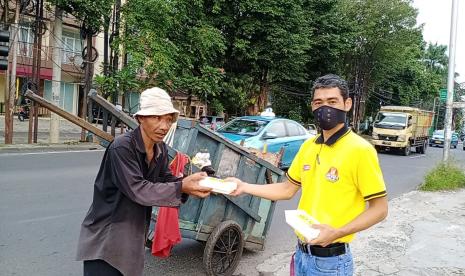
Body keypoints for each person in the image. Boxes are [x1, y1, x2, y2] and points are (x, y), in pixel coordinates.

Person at [228, 74, 388, 275]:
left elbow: (380, 209)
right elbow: (287, 189)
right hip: (302, 254)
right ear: (312, 106)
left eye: (332, 101)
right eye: (319, 102)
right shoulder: (308, 146)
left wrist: (337, 233)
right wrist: (244, 187)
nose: (325, 108)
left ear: (347, 104)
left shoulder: (360, 150)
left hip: (331, 262)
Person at [76, 87, 212, 276]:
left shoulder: (160, 149)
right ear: (140, 118)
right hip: (106, 238)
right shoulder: (122, 147)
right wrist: (182, 186)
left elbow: (167, 180)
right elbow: (138, 190)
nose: (164, 126)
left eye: (168, 119)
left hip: (132, 235)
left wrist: (193, 185)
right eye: (157, 117)